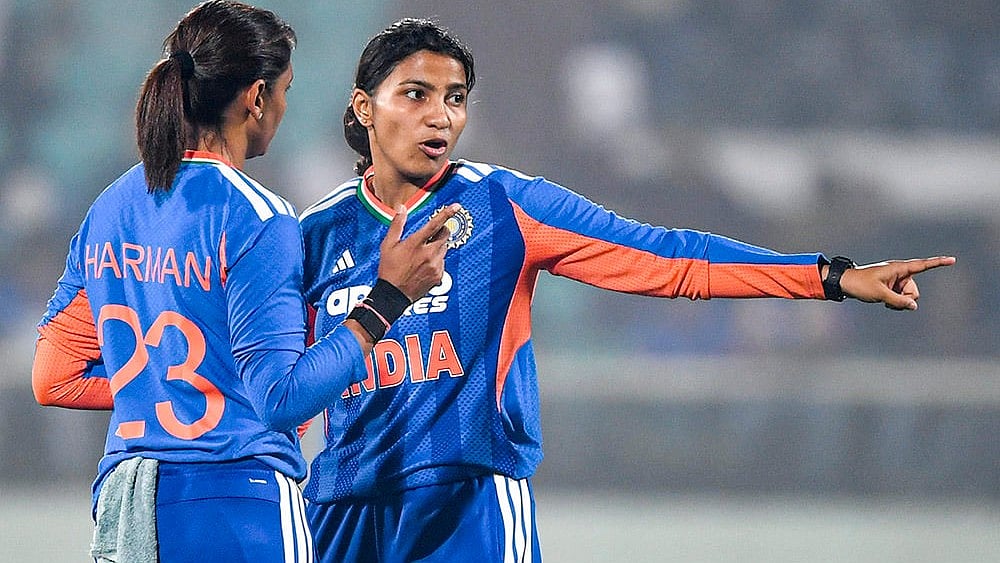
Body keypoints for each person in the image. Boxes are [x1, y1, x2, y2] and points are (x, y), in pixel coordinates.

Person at [297, 18, 956, 563]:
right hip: (342, 516)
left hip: (465, 511)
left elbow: (671, 260)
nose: (440, 115)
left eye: (456, 96)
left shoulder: (503, 206)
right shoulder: (311, 235)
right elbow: (284, 392)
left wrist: (828, 275)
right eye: (416, 94)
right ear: (364, 106)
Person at [30, 3, 456, 562]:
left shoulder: (113, 206)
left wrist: (171, 394)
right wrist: (389, 298)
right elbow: (282, 400)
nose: (284, 107)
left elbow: (52, 379)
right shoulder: (257, 218)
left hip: (127, 501)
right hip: (236, 504)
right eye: (285, 90)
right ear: (256, 98)